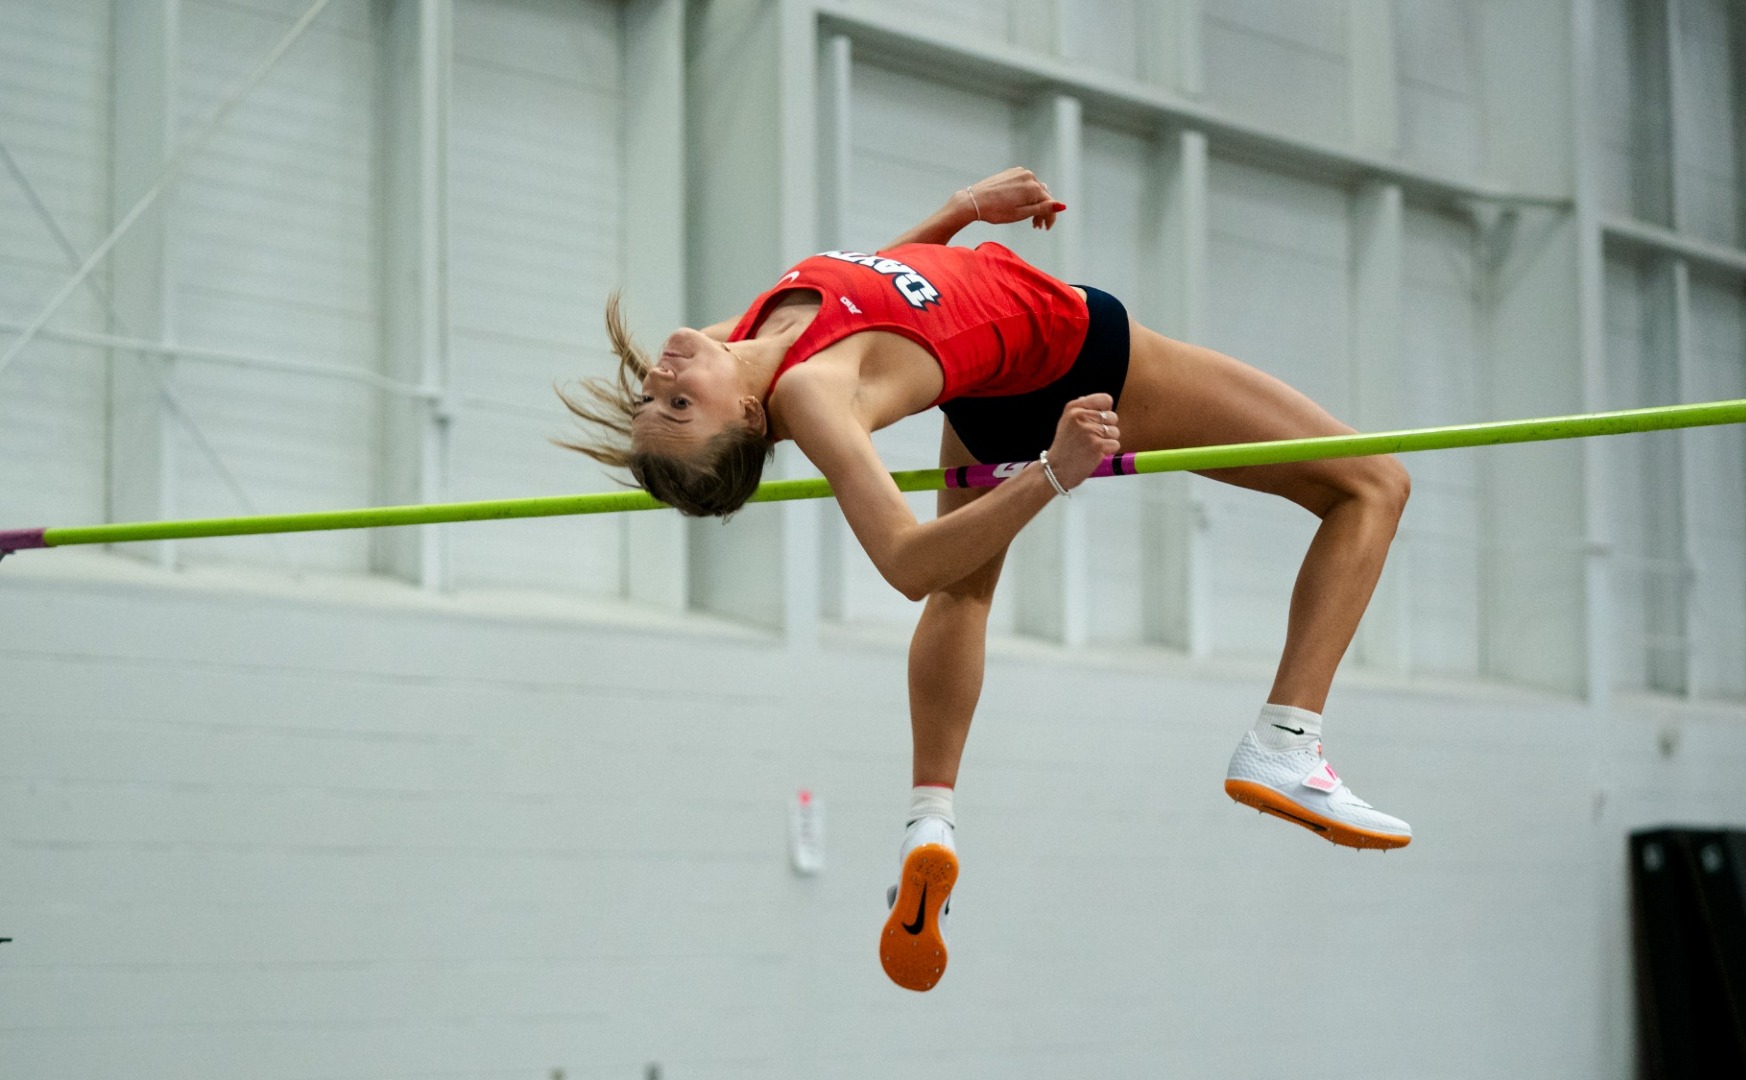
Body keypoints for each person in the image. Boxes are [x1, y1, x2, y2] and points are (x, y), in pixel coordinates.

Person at [559, 168, 1413, 992]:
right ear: (748, 418)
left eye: (652, 400)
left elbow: (873, 299)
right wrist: (1052, 472)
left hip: (991, 381)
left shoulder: (758, 335)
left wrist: (961, 211)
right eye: (679, 407)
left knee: (964, 590)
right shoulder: (813, 395)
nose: (663, 380)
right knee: (1373, 484)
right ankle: (1284, 740)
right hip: (1082, 361)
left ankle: (930, 820)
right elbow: (901, 560)